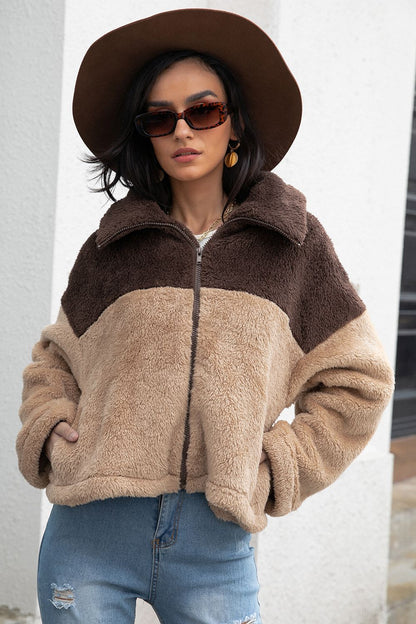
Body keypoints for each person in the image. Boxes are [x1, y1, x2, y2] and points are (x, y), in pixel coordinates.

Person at [16, 8, 394, 624]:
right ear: (146, 134)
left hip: (214, 542)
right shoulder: (112, 247)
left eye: (204, 111)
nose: (182, 130)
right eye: (159, 117)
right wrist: (49, 423)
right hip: (89, 531)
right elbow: (55, 361)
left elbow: (360, 381)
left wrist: (278, 467)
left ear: (234, 122)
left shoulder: (293, 244)